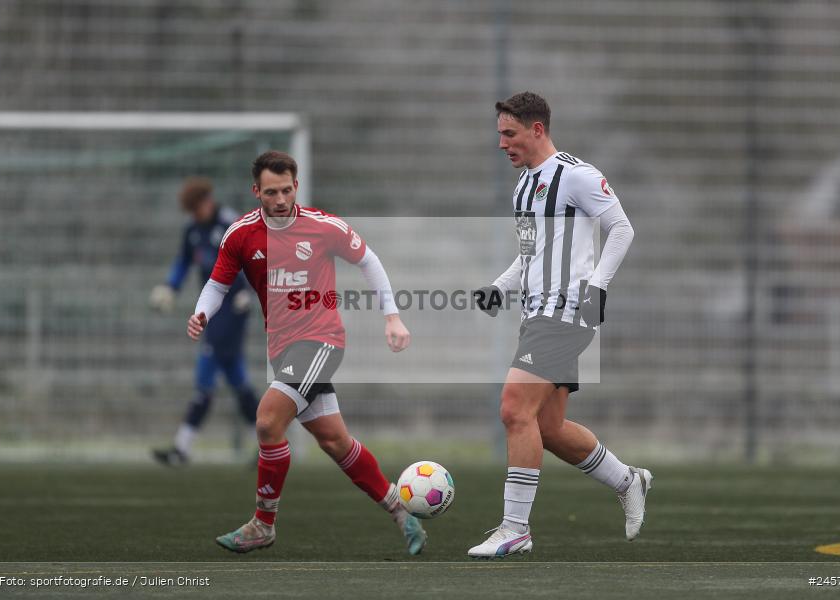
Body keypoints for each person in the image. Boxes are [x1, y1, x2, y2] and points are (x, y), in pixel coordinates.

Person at [188, 151, 427, 555]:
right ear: (256, 192)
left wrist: (392, 317)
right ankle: (401, 511)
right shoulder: (240, 235)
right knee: (335, 441)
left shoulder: (323, 226)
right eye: (271, 192)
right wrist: (201, 313)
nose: (280, 199)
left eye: (286, 190)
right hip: (282, 348)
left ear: (296, 186)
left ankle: (263, 524)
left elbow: (369, 261)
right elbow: (217, 284)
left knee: (266, 422)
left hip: (321, 340)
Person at [468, 92, 648, 558]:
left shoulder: (576, 175)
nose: (503, 144)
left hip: (567, 310)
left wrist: (599, 288)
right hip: (536, 311)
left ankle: (515, 528)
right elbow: (530, 254)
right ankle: (628, 480)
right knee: (547, 427)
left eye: (509, 134)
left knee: (513, 409)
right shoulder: (524, 186)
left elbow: (622, 228)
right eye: (500, 135)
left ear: (537, 130)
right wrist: (500, 286)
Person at [150, 178, 259, 465]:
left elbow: (253, 255)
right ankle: (267, 447)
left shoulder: (229, 223)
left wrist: (248, 289)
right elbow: (184, 262)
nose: (197, 214)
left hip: (234, 307)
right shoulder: (192, 230)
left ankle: (181, 448)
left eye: (198, 207)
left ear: (208, 201)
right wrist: (170, 287)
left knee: (207, 372)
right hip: (211, 309)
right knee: (237, 379)